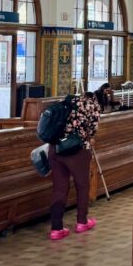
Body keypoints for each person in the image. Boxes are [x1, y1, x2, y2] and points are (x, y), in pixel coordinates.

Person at [48, 91, 101, 241]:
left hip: (56, 149)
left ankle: (56, 229)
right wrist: (89, 138)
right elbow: (92, 129)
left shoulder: (65, 102)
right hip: (76, 150)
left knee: (59, 188)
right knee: (82, 186)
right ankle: (81, 222)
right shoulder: (91, 105)